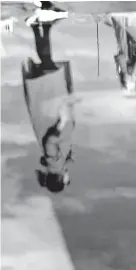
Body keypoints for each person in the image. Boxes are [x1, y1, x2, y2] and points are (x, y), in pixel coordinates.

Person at [24, 1, 75, 193]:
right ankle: (42, 26)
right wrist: (68, 155)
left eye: (67, 181)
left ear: (60, 179)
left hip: (52, 106)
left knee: (47, 64)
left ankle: (40, 26)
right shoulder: (57, 163)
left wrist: (62, 122)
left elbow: (50, 143)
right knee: (47, 62)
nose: (69, 179)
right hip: (49, 106)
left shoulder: (56, 164)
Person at [108, 15, 136, 94]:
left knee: (123, 53)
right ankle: (128, 20)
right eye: (132, 81)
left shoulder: (121, 69)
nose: (130, 79)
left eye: (128, 81)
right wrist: (133, 72)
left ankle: (120, 20)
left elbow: (120, 57)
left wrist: (125, 71)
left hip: (129, 36)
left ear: (124, 79)